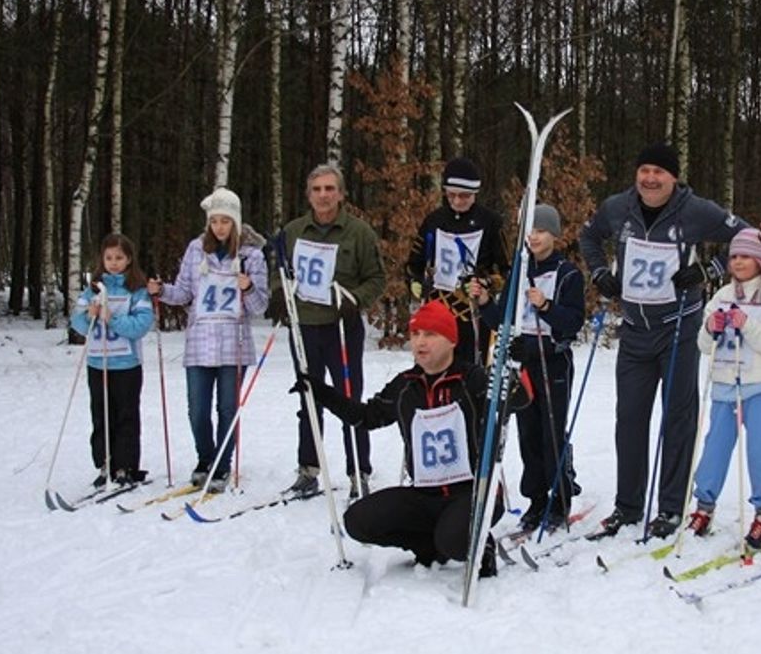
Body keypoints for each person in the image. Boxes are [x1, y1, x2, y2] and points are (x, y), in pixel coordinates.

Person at [580, 142, 748, 538]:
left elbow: (746, 236)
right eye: (645, 171)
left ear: (674, 177)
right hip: (635, 331)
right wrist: (600, 273)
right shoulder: (618, 208)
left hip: (677, 330)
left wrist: (709, 270)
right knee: (630, 421)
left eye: (659, 173)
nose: (650, 179)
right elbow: (589, 238)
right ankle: (628, 506)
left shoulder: (695, 211)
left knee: (677, 420)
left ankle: (671, 508)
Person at [304, 300, 505, 577]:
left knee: (455, 540)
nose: (420, 342)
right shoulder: (406, 385)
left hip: (472, 493)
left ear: (451, 341)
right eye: (415, 334)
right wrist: (322, 392)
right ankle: (429, 545)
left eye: (430, 335)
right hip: (425, 494)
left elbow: (513, 401)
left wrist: (515, 368)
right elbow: (366, 417)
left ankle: (481, 545)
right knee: (358, 521)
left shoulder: (473, 379)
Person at [270, 163, 386, 498]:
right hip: (305, 326)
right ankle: (308, 469)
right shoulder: (293, 231)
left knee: (350, 399)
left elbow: (376, 279)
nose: (323, 195)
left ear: (341, 193)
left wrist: (356, 300)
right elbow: (278, 268)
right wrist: (279, 291)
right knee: (309, 399)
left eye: (330, 189)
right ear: (309, 194)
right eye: (317, 189)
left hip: (342, 328)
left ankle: (358, 472)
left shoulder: (358, 232)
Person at [470, 204, 585, 531]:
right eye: (529, 231)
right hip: (523, 363)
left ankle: (559, 500)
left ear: (555, 235)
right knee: (528, 434)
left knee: (551, 434)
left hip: (553, 362)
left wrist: (546, 307)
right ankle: (536, 500)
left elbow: (573, 322)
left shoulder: (568, 274)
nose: (534, 237)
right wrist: (484, 303)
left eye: (541, 231)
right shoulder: (519, 272)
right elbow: (503, 322)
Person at [148, 188, 269, 492]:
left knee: (227, 409)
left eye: (225, 221)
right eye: (214, 221)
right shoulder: (195, 250)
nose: (219, 227)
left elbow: (260, 306)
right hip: (200, 343)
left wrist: (249, 287)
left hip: (233, 344)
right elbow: (185, 292)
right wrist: (161, 291)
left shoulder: (251, 255)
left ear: (236, 222)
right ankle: (205, 458)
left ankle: (222, 464)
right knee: (197, 409)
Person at [688, 227, 761, 549]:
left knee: (760, 450)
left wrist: (747, 324)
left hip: (760, 385)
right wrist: (710, 327)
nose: (738, 262)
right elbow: (704, 344)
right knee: (715, 448)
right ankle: (704, 507)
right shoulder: (721, 295)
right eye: (733, 256)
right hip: (723, 384)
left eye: (746, 255)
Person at [405, 157, 510, 366]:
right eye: (451, 195)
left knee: (470, 372)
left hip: (472, 313)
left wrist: (486, 283)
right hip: (438, 309)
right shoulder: (434, 221)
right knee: (432, 367)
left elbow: (507, 270)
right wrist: (415, 283)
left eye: (464, 196)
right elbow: (413, 264)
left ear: (475, 194)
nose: (457, 201)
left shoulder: (490, 222)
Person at [70, 233, 155, 487]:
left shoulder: (137, 291)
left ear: (129, 259)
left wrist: (112, 318)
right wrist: (89, 315)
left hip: (126, 365)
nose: (114, 262)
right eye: (109, 258)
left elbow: (140, 326)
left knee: (126, 415)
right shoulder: (93, 289)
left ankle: (125, 465)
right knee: (101, 414)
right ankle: (104, 463)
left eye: (119, 257)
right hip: (98, 363)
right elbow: (77, 323)